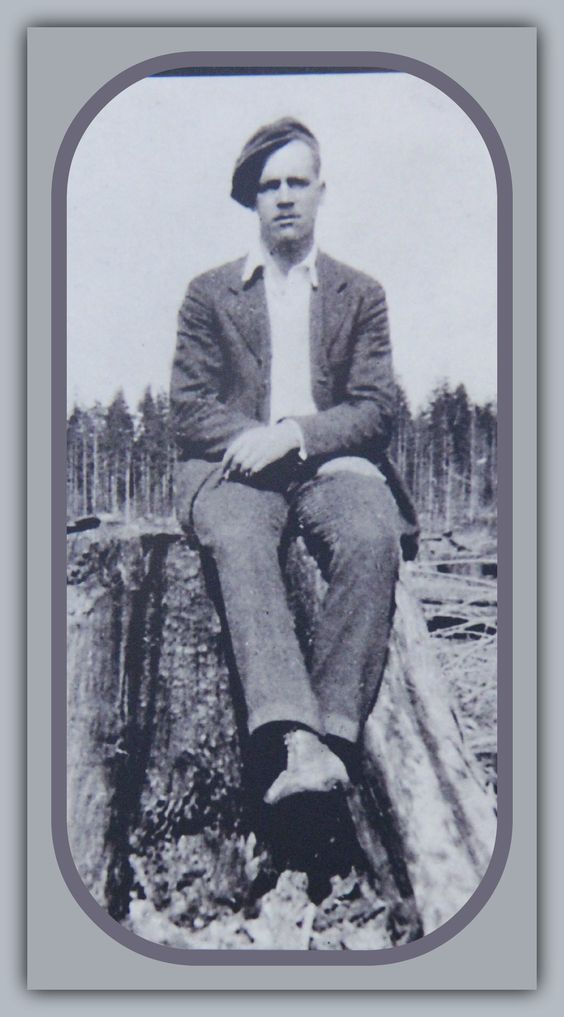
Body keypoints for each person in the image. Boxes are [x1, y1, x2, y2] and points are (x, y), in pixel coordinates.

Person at [170, 118, 418, 806]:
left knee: (372, 535)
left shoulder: (359, 293)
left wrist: (293, 435)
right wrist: (254, 439)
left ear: (320, 192)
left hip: (329, 465)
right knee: (241, 539)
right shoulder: (209, 293)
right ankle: (295, 738)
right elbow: (188, 407)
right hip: (235, 471)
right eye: (269, 185)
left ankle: (332, 739)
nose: (284, 197)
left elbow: (375, 408)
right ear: (252, 199)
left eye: (297, 183)